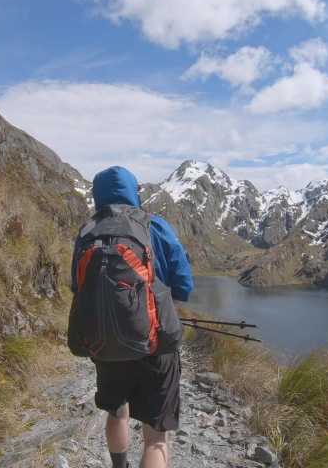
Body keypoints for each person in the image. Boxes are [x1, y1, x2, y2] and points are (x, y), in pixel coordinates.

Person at [70, 166, 193, 468]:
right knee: (156, 437)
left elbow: (78, 287)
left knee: (116, 412)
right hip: (155, 343)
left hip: (104, 344)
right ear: (134, 192)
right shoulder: (155, 226)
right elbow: (183, 284)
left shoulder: (87, 233)